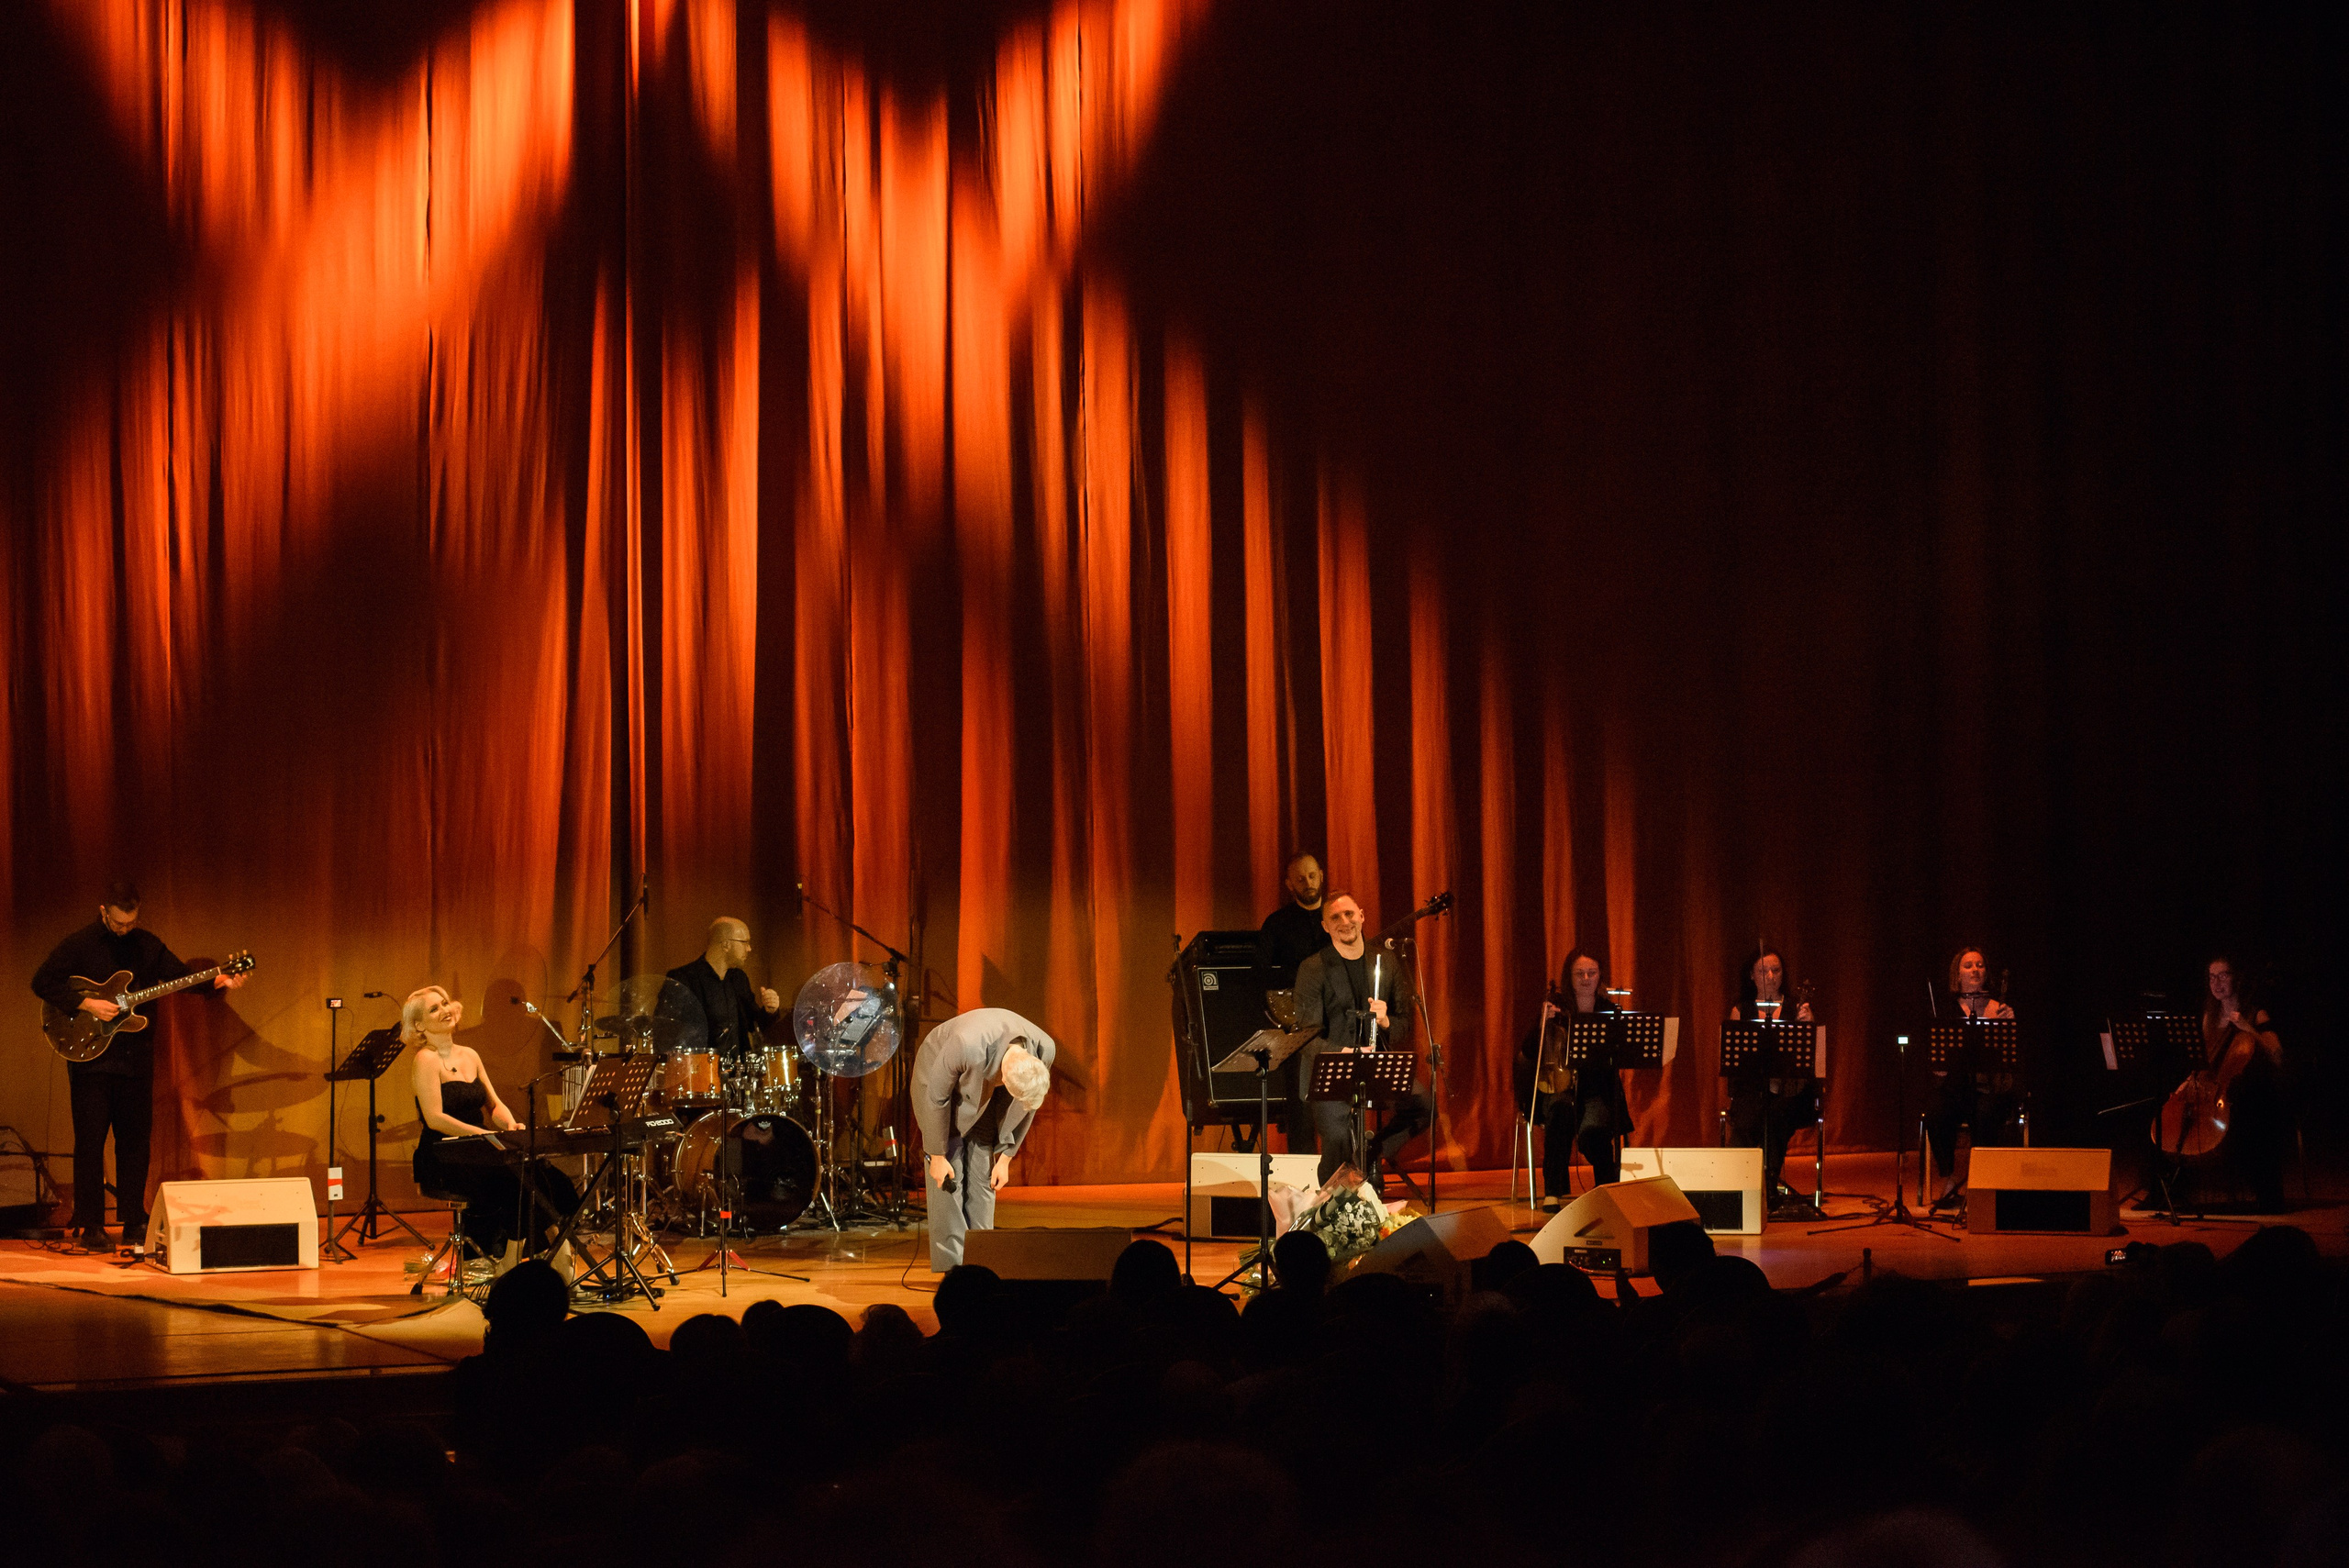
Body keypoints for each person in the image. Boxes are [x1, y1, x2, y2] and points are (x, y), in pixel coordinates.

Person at [30, 881, 250, 1253]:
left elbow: (182, 978)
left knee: (134, 1143)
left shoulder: (147, 945)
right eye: (117, 924)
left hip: (135, 1058)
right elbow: (42, 982)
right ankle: (92, 1225)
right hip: (91, 1059)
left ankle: (134, 1219)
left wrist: (220, 979)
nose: (123, 930)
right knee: (90, 1143)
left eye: (130, 924)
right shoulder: (80, 944)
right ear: (104, 912)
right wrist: (87, 1005)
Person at [406, 984, 580, 1263]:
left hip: (480, 1147)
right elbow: (435, 1118)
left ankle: (543, 1257)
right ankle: (517, 1260)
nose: (444, 1010)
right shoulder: (425, 1059)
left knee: (547, 1177)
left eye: (445, 1003)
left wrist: (509, 1124)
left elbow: (494, 1104)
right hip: (444, 1155)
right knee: (517, 1181)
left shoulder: (470, 1055)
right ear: (418, 1025)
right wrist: (482, 1136)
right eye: (433, 1009)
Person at [1292, 892, 1432, 1185]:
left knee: (1423, 1105)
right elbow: (1305, 1037)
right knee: (1340, 1136)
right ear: (1325, 926)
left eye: (1349, 914)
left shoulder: (1385, 960)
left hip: (1375, 1065)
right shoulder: (1313, 968)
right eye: (1335, 917)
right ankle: (1333, 1200)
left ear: (1362, 915)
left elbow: (1405, 1024)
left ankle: (1368, 1155)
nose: (1345, 921)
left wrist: (1386, 1021)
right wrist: (1342, 1051)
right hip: (1331, 1069)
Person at [912, 1008, 1057, 1271]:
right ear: (1003, 1080)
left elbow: (1029, 1106)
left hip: (985, 1083)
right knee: (948, 1175)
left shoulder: (1045, 1050)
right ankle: (954, 1271)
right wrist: (936, 1155)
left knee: (982, 1171)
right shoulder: (966, 1045)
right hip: (938, 1077)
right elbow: (937, 1098)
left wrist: (1006, 1159)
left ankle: (983, 1265)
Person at [1513, 948, 1625, 1205]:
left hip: (1596, 1089)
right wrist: (1542, 1025)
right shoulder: (1555, 1006)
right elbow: (1530, 1051)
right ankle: (1553, 1191)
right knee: (1560, 1113)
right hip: (1560, 1086)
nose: (1586, 978)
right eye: (1579, 974)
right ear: (1569, 977)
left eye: (1592, 973)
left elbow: (1616, 1057)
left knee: (1595, 1132)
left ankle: (1606, 1193)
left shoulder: (1608, 1009)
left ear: (1600, 976)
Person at [2185, 955, 2288, 1212]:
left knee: (2250, 1109)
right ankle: (2172, 1192)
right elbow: (2205, 1059)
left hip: (2249, 1091)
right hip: (2215, 1089)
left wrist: (2247, 1027)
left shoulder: (2256, 1013)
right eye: (2211, 977)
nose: (2216, 982)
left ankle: (2265, 1194)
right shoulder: (2210, 1016)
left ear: (2236, 978)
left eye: (2223, 975)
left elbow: (2276, 1056)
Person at [1922, 946, 2017, 1211]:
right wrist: (1938, 1066)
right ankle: (1948, 1178)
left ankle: (1981, 1182)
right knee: (1935, 1112)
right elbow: (1936, 1056)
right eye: (1968, 966)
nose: (1975, 970)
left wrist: (2011, 1025)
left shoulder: (2000, 1008)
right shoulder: (1946, 1010)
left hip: (1989, 1088)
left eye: (1980, 965)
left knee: (1986, 1113)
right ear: (1958, 974)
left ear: (1986, 973)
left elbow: (2011, 1057)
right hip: (1955, 1088)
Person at [1723, 946, 1818, 1205]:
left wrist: (1808, 1023)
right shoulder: (1741, 1010)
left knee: (1774, 1114)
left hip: (1791, 1096)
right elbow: (1736, 1064)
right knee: (1750, 1113)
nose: (1771, 975)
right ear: (1751, 976)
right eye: (1763, 971)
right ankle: (1740, 1186)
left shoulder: (1796, 1008)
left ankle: (1767, 1180)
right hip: (1753, 1091)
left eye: (1776, 970)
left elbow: (1810, 1058)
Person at [1257, 852, 1329, 1146]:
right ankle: (1304, 1183)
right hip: (1297, 1025)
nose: (1308, 883)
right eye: (1300, 879)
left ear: (1321, 875)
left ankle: (1347, 1179)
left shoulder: (1338, 917)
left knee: (1342, 1105)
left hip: (1337, 1025)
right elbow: (1260, 973)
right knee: (1300, 1108)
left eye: (1312, 876)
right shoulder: (1277, 924)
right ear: (1290, 884)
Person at [663, 917, 783, 1061]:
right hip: (702, 1072)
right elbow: (667, 1033)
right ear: (726, 945)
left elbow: (754, 1024)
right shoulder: (683, 978)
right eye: (745, 942)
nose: (749, 948)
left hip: (738, 1074)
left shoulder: (739, 978)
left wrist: (769, 1010)